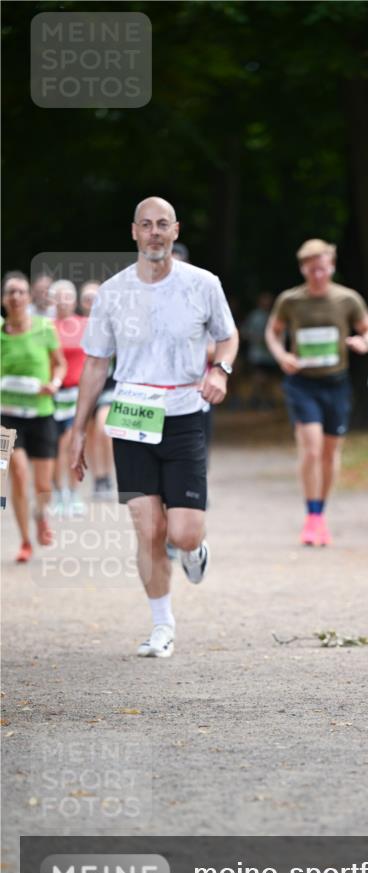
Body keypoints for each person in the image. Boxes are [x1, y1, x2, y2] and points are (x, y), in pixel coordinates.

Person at [70, 196, 239, 658]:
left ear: (176, 230)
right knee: (146, 529)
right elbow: (95, 363)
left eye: (163, 224)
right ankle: (162, 626)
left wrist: (220, 371)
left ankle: (192, 550)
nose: (155, 232)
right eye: (146, 225)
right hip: (132, 417)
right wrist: (78, 430)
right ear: (134, 233)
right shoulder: (113, 292)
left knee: (181, 532)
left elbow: (227, 334)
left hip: (185, 414)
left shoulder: (203, 284)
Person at [266, 239, 368, 546]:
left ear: (332, 267)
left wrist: (364, 342)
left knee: (329, 452)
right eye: (312, 270)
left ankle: (320, 514)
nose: (318, 275)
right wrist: (281, 355)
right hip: (302, 383)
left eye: (323, 269)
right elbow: (272, 333)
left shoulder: (347, 299)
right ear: (303, 268)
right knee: (311, 448)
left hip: (336, 383)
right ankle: (311, 515)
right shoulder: (290, 300)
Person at [0, 271, 66, 562]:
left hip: (41, 414)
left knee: (42, 485)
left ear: (28, 298)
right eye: (10, 292)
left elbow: (60, 364)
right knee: (17, 472)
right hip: (7, 416)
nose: (15, 297)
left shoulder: (44, 328)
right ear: (3, 299)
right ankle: (26, 540)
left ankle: (41, 517)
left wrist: (55, 384)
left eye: (20, 292)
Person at [51, 279, 88, 515]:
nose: (63, 301)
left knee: (72, 443)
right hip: (53, 393)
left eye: (67, 296)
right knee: (54, 446)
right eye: (59, 296)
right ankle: (57, 493)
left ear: (74, 300)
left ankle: (73, 493)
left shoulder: (86, 324)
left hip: (77, 393)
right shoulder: (45, 326)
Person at [80, 281, 115, 500]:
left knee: (104, 428)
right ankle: (98, 479)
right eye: (87, 299)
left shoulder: (111, 324)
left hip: (108, 386)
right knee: (90, 434)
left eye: (95, 298)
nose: (91, 303)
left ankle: (108, 475)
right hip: (81, 388)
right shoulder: (73, 326)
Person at [241, 292, 279, 409]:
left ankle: (266, 400)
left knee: (269, 380)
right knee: (259, 378)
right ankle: (258, 399)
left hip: (271, 355)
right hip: (257, 355)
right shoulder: (254, 316)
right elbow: (244, 332)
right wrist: (256, 338)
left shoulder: (274, 316)